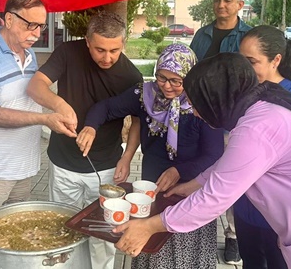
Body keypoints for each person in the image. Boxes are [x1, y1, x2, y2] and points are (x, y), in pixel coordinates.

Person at [113, 53, 291, 269]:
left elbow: (215, 199)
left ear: (216, 98)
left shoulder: (258, 127)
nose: (195, 112)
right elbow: (231, 166)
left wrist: (150, 226)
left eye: (197, 103)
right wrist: (191, 186)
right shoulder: (260, 110)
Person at [0, 0, 76, 269]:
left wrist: (59, 107)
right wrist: (45, 120)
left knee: (13, 240)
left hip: (21, 167)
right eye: (29, 25)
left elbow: (30, 94)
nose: (36, 33)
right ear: (8, 19)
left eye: (41, 26)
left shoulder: (28, 54)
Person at [78, 43, 224, 269]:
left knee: (185, 254)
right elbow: (105, 107)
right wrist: (90, 127)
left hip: (192, 189)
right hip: (152, 188)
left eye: (176, 80)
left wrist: (179, 171)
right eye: (161, 77)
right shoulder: (144, 94)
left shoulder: (202, 103)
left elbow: (214, 155)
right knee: (152, 248)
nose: (167, 86)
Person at [27, 10, 142, 269]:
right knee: (61, 227)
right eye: (100, 49)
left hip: (105, 167)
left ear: (123, 43)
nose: (108, 57)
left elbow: (137, 121)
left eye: (115, 50)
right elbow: (35, 86)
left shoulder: (131, 77)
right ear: (87, 41)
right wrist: (59, 104)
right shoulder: (68, 52)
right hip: (63, 162)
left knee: (103, 236)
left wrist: (127, 157)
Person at [235, 25, 291, 269]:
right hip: (246, 200)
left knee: (278, 263)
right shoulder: (244, 91)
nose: (244, 69)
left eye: (251, 61)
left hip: (280, 208)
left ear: (276, 60)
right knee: (250, 260)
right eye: (241, 60)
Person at [190, 0, 252, 264]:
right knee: (206, 171)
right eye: (217, 0)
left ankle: (233, 236)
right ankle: (197, 225)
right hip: (204, 116)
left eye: (227, 0)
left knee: (234, 177)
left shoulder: (248, 37)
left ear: (240, 5)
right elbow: (190, 67)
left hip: (235, 118)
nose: (221, 5)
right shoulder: (202, 34)